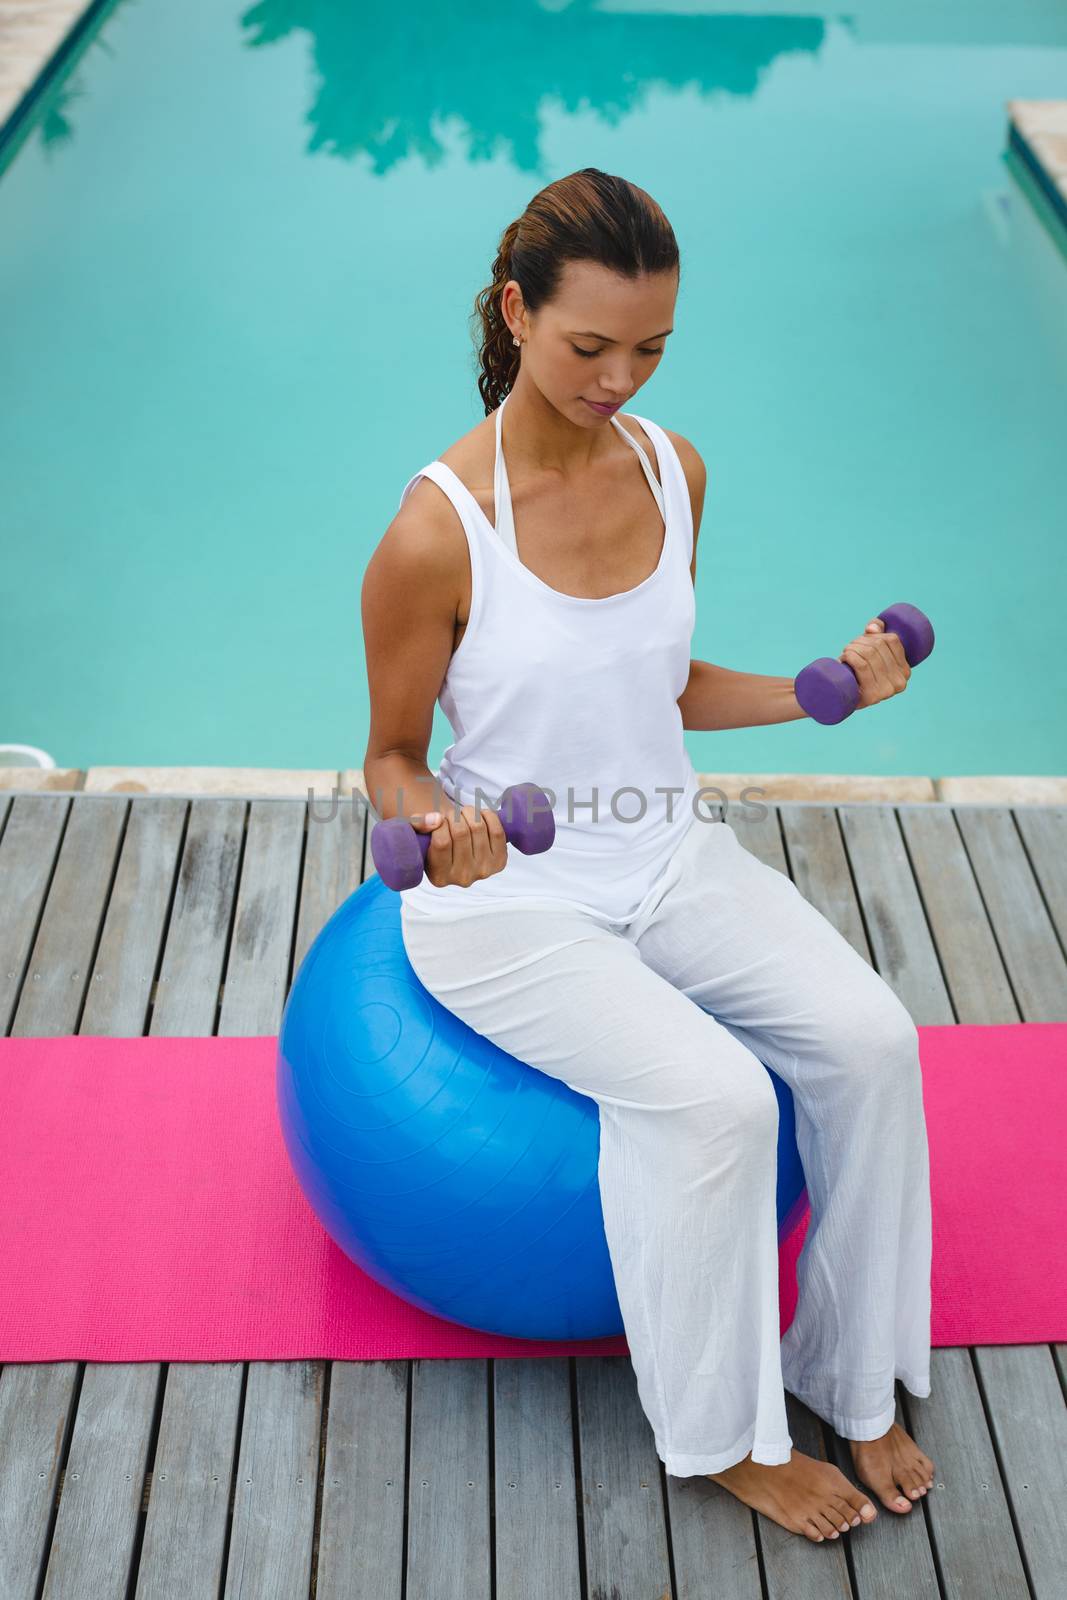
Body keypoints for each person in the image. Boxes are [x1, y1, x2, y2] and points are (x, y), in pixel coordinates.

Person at [359, 167, 934, 1545]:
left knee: (874, 1042)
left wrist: (818, 692)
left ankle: (853, 1378)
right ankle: (724, 1436)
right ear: (518, 311)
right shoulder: (437, 528)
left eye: (653, 349)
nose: (621, 377)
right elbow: (386, 755)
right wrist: (442, 825)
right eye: (589, 347)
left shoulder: (675, 470)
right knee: (720, 1105)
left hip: (664, 857)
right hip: (510, 906)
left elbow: (658, 690)